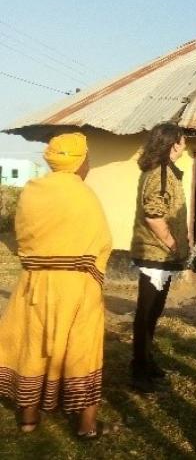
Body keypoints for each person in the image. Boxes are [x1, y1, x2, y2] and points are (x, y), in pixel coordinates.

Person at [0, 132, 114, 439]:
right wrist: (95, 273)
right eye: (87, 157)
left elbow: (22, 237)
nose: (89, 163)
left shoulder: (31, 191)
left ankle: (28, 418)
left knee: (33, 345)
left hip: (34, 283)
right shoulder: (84, 195)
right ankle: (87, 426)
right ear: (79, 162)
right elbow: (102, 243)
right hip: (77, 285)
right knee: (82, 350)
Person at [129, 122, 190, 393]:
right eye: (182, 140)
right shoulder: (161, 171)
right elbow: (154, 215)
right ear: (173, 144)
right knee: (146, 314)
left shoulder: (162, 170)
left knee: (151, 313)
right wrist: (173, 244)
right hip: (155, 253)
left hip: (158, 255)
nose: (185, 145)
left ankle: (145, 359)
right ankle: (138, 369)